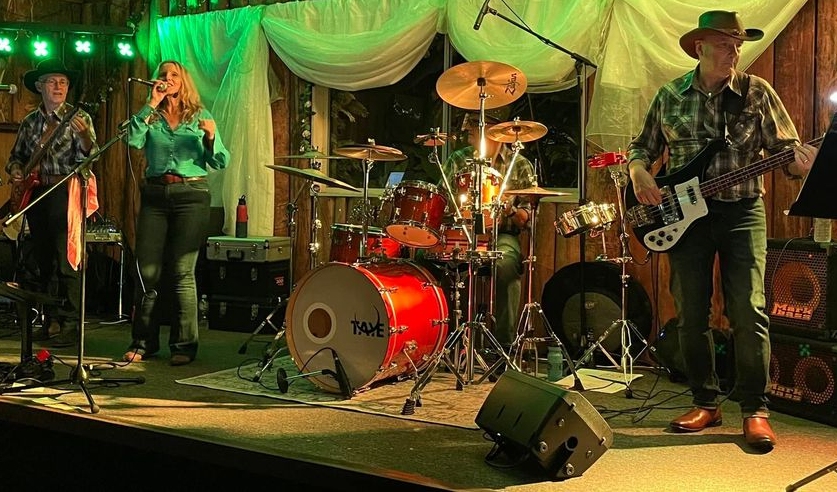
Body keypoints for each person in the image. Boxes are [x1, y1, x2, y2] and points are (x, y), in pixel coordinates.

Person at [626, 11, 818, 451]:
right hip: (683, 220)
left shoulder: (757, 92)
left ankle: (755, 409)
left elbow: (787, 154)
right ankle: (706, 403)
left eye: (738, 45)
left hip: (742, 212)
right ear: (701, 48)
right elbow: (642, 147)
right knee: (691, 313)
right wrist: (638, 172)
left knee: (749, 310)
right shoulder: (670, 95)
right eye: (727, 44)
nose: (735, 52)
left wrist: (800, 163)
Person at [123, 60, 229, 366]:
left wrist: (210, 138)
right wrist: (151, 103)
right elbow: (132, 140)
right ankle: (143, 342)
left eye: (174, 75)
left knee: (182, 271)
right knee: (147, 271)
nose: (167, 79)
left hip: (191, 195)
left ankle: (184, 345)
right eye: (163, 75)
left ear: (183, 82)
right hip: (155, 195)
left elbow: (220, 161)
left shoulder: (200, 115)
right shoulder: (151, 115)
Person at [5, 58, 99, 348]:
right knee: (43, 259)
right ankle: (50, 320)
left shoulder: (79, 118)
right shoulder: (30, 122)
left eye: (63, 82)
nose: (58, 86)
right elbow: (16, 157)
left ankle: (70, 324)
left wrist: (85, 138)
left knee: (66, 258)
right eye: (52, 81)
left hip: (65, 191)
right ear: (39, 86)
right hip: (37, 193)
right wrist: (16, 170)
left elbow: (90, 158)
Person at [441, 113, 536, 353]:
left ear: (494, 130)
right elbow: (442, 202)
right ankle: (442, 340)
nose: (468, 130)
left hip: (503, 234)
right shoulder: (457, 160)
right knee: (431, 261)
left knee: (506, 265)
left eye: (475, 124)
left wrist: (508, 208)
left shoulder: (519, 164)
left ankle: (503, 346)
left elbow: (527, 219)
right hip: (462, 232)